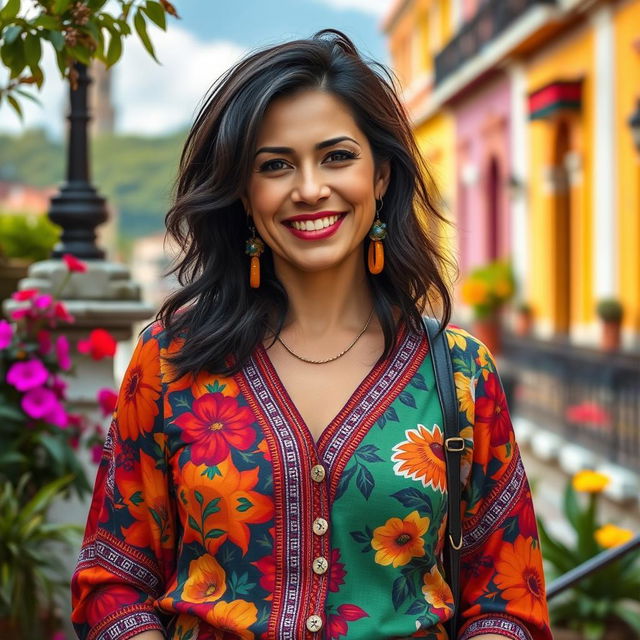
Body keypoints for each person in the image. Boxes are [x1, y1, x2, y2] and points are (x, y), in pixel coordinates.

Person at [71, 30, 552, 640]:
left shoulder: (457, 373)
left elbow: (508, 598)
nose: (308, 188)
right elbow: (114, 576)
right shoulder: (172, 360)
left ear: (380, 176)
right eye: (275, 165)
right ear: (244, 194)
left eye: (337, 156)